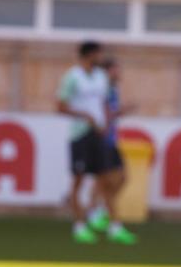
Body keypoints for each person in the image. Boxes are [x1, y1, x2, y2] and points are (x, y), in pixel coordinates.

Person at [57, 41, 129, 244]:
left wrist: (106, 123)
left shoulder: (100, 77)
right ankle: (79, 226)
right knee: (78, 180)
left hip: (99, 134)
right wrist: (85, 116)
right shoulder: (72, 77)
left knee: (108, 179)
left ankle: (114, 226)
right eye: (98, 54)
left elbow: (105, 103)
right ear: (89, 55)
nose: (101, 58)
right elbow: (60, 106)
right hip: (80, 134)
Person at [87, 57, 138, 245]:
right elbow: (106, 114)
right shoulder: (103, 89)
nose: (119, 73)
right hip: (102, 140)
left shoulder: (112, 89)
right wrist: (124, 110)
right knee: (107, 181)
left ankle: (95, 211)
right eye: (115, 70)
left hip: (111, 140)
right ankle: (114, 225)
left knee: (119, 179)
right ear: (107, 72)